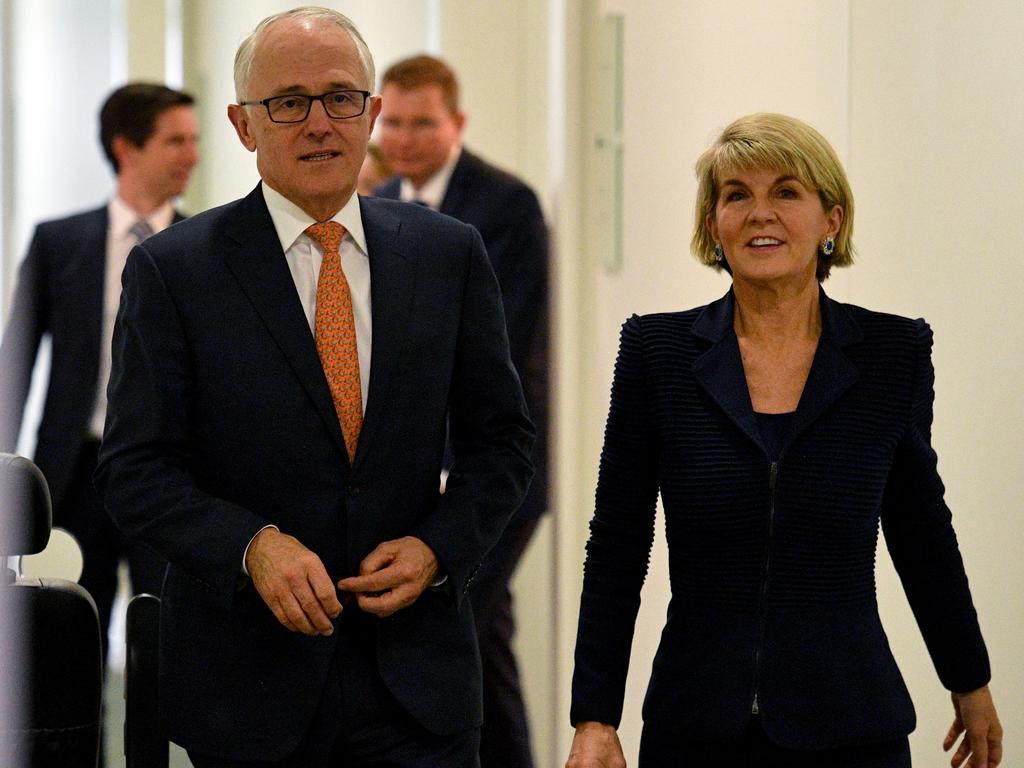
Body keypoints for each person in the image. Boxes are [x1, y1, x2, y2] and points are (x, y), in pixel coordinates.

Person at [95, 8, 534, 768]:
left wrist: (437, 547)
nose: (319, 122)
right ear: (243, 125)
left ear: (372, 113)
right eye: (288, 102)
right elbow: (135, 470)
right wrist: (249, 546)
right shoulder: (175, 271)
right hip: (249, 692)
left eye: (340, 97)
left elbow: (503, 446)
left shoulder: (448, 255)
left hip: (418, 691)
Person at [565, 113, 1002, 768]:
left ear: (831, 219)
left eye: (787, 192)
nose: (759, 213)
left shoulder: (894, 353)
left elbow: (921, 531)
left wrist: (969, 679)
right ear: (713, 224)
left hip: (853, 727)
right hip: (694, 728)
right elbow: (618, 543)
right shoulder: (656, 354)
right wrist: (595, 717)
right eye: (736, 194)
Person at [376, 54, 549, 768]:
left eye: (424, 122)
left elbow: (500, 349)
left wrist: (451, 466)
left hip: (486, 471)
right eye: (393, 121)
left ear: (458, 123)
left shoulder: (505, 204)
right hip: (411, 467)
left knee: (453, 633)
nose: (406, 137)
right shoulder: (378, 201)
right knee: (484, 636)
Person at [0, 82, 198, 653]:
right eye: (175, 141)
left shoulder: (203, 244)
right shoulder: (59, 242)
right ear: (126, 147)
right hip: (76, 471)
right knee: (69, 640)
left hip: (171, 474)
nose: (192, 155)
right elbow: (16, 364)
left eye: (193, 140)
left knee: (164, 635)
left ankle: (156, 746)